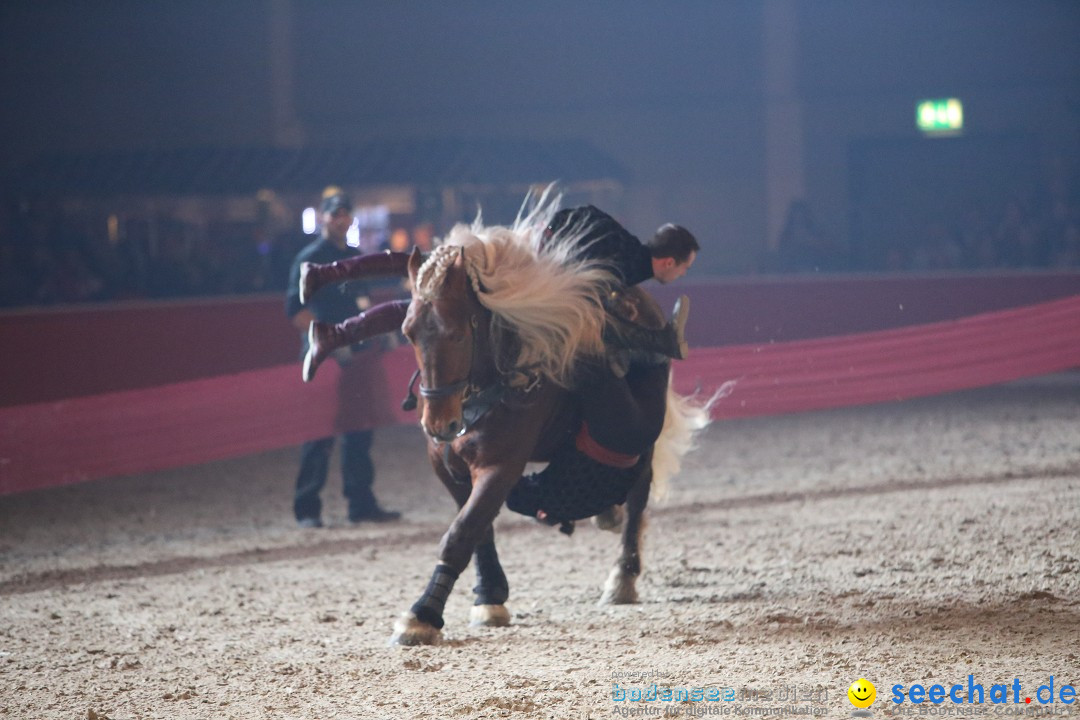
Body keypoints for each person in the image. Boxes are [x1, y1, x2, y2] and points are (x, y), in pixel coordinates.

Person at [284, 187, 401, 527]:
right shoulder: (309, 258)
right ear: (324, 216)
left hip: (360, 357)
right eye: (335, 213)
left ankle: (361, 504)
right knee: (318, 433)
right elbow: (296, 311)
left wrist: (379, 334)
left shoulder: (354, 257)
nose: (341, 219)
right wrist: (329, 342)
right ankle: (307, 509)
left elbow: (362, 304)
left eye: (346, 214)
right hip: (323, 359)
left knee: (360, 431)